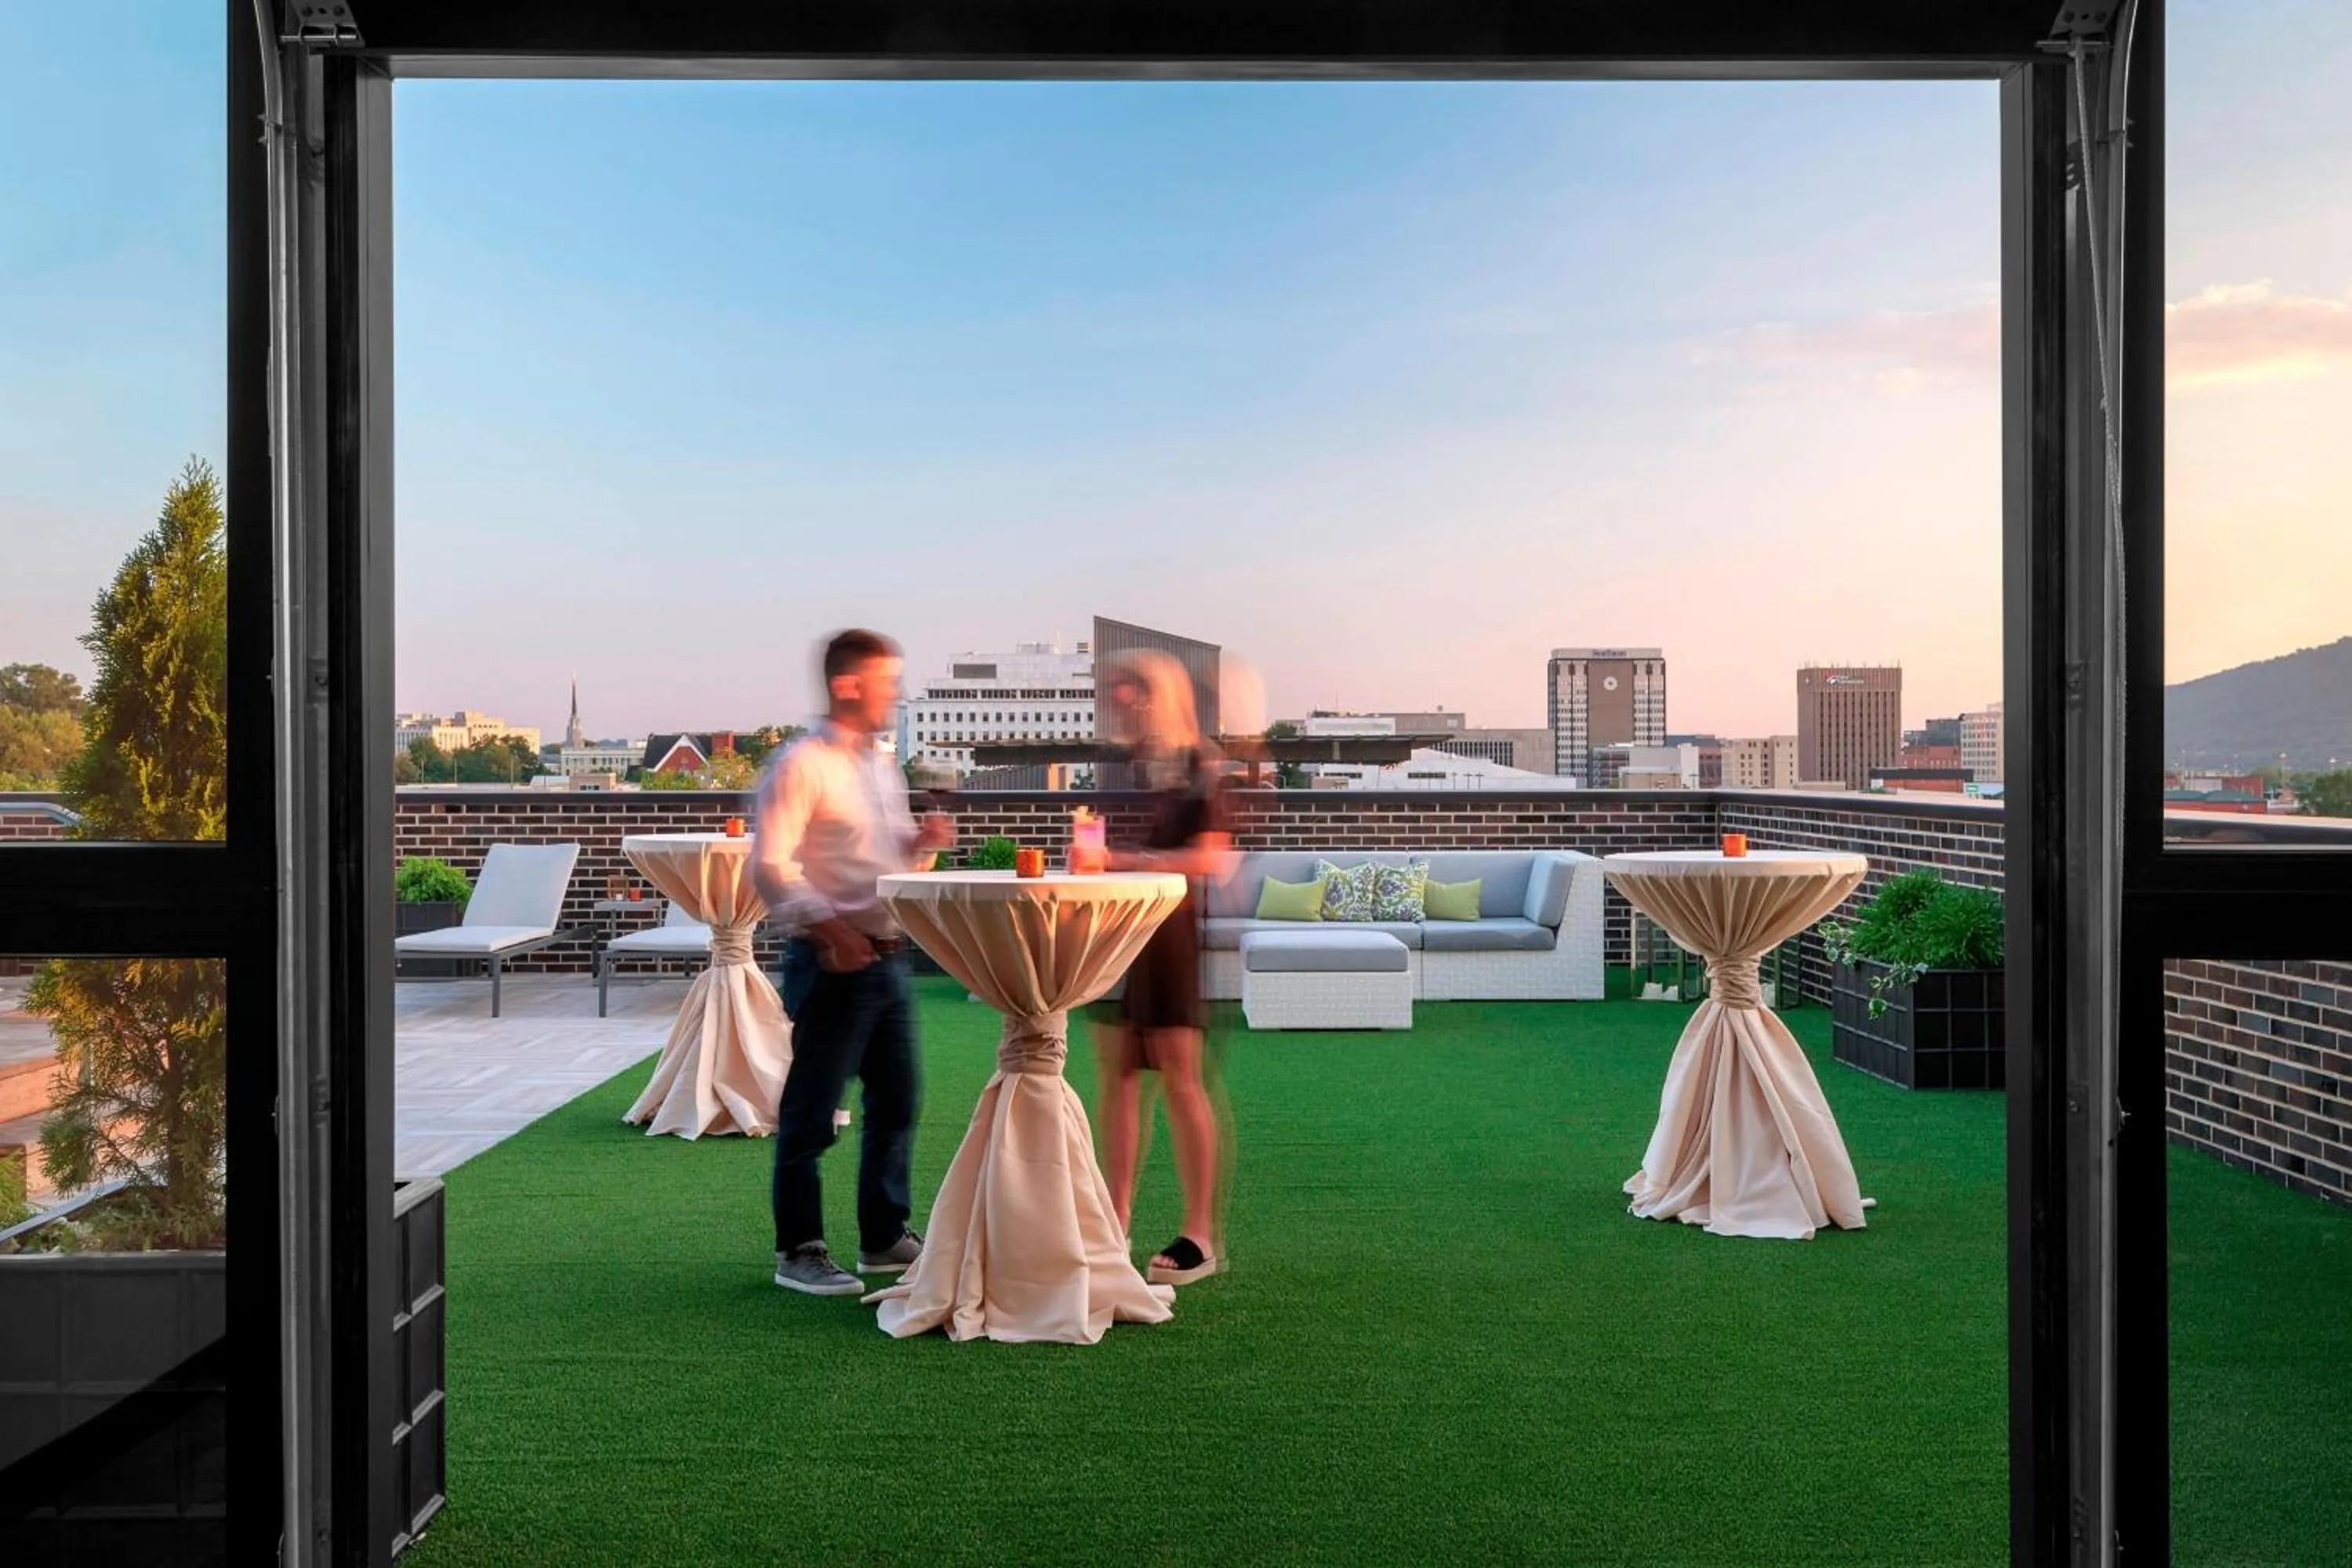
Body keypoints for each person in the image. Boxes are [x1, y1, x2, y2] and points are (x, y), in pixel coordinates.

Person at [753, 629, 957, 1296]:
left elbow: (887, 860)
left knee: (898, 1102)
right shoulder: (801, 765)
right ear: (848, 685)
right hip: (832, 961)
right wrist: (831, 928)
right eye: (887, 682)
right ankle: (799, 1249)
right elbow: (772, 868)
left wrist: (920, 846)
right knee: (813, 1112)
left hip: (889, 959)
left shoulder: (879, 764)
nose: (896, 695)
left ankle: (883, 1237)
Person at [1092, 648, 1235, 1286]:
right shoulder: (1131, 769)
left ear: (1161, 695)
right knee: (1119, 1078)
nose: (1123, 704)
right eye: (1118, 694)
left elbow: (1210, 862)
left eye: (1132, 693)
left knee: (1180, 1077)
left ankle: (1201, 1235)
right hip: (1117, 933)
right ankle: (1112, 1222)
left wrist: (1123, 863)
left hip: (1170, 933)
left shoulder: (1203, 765)